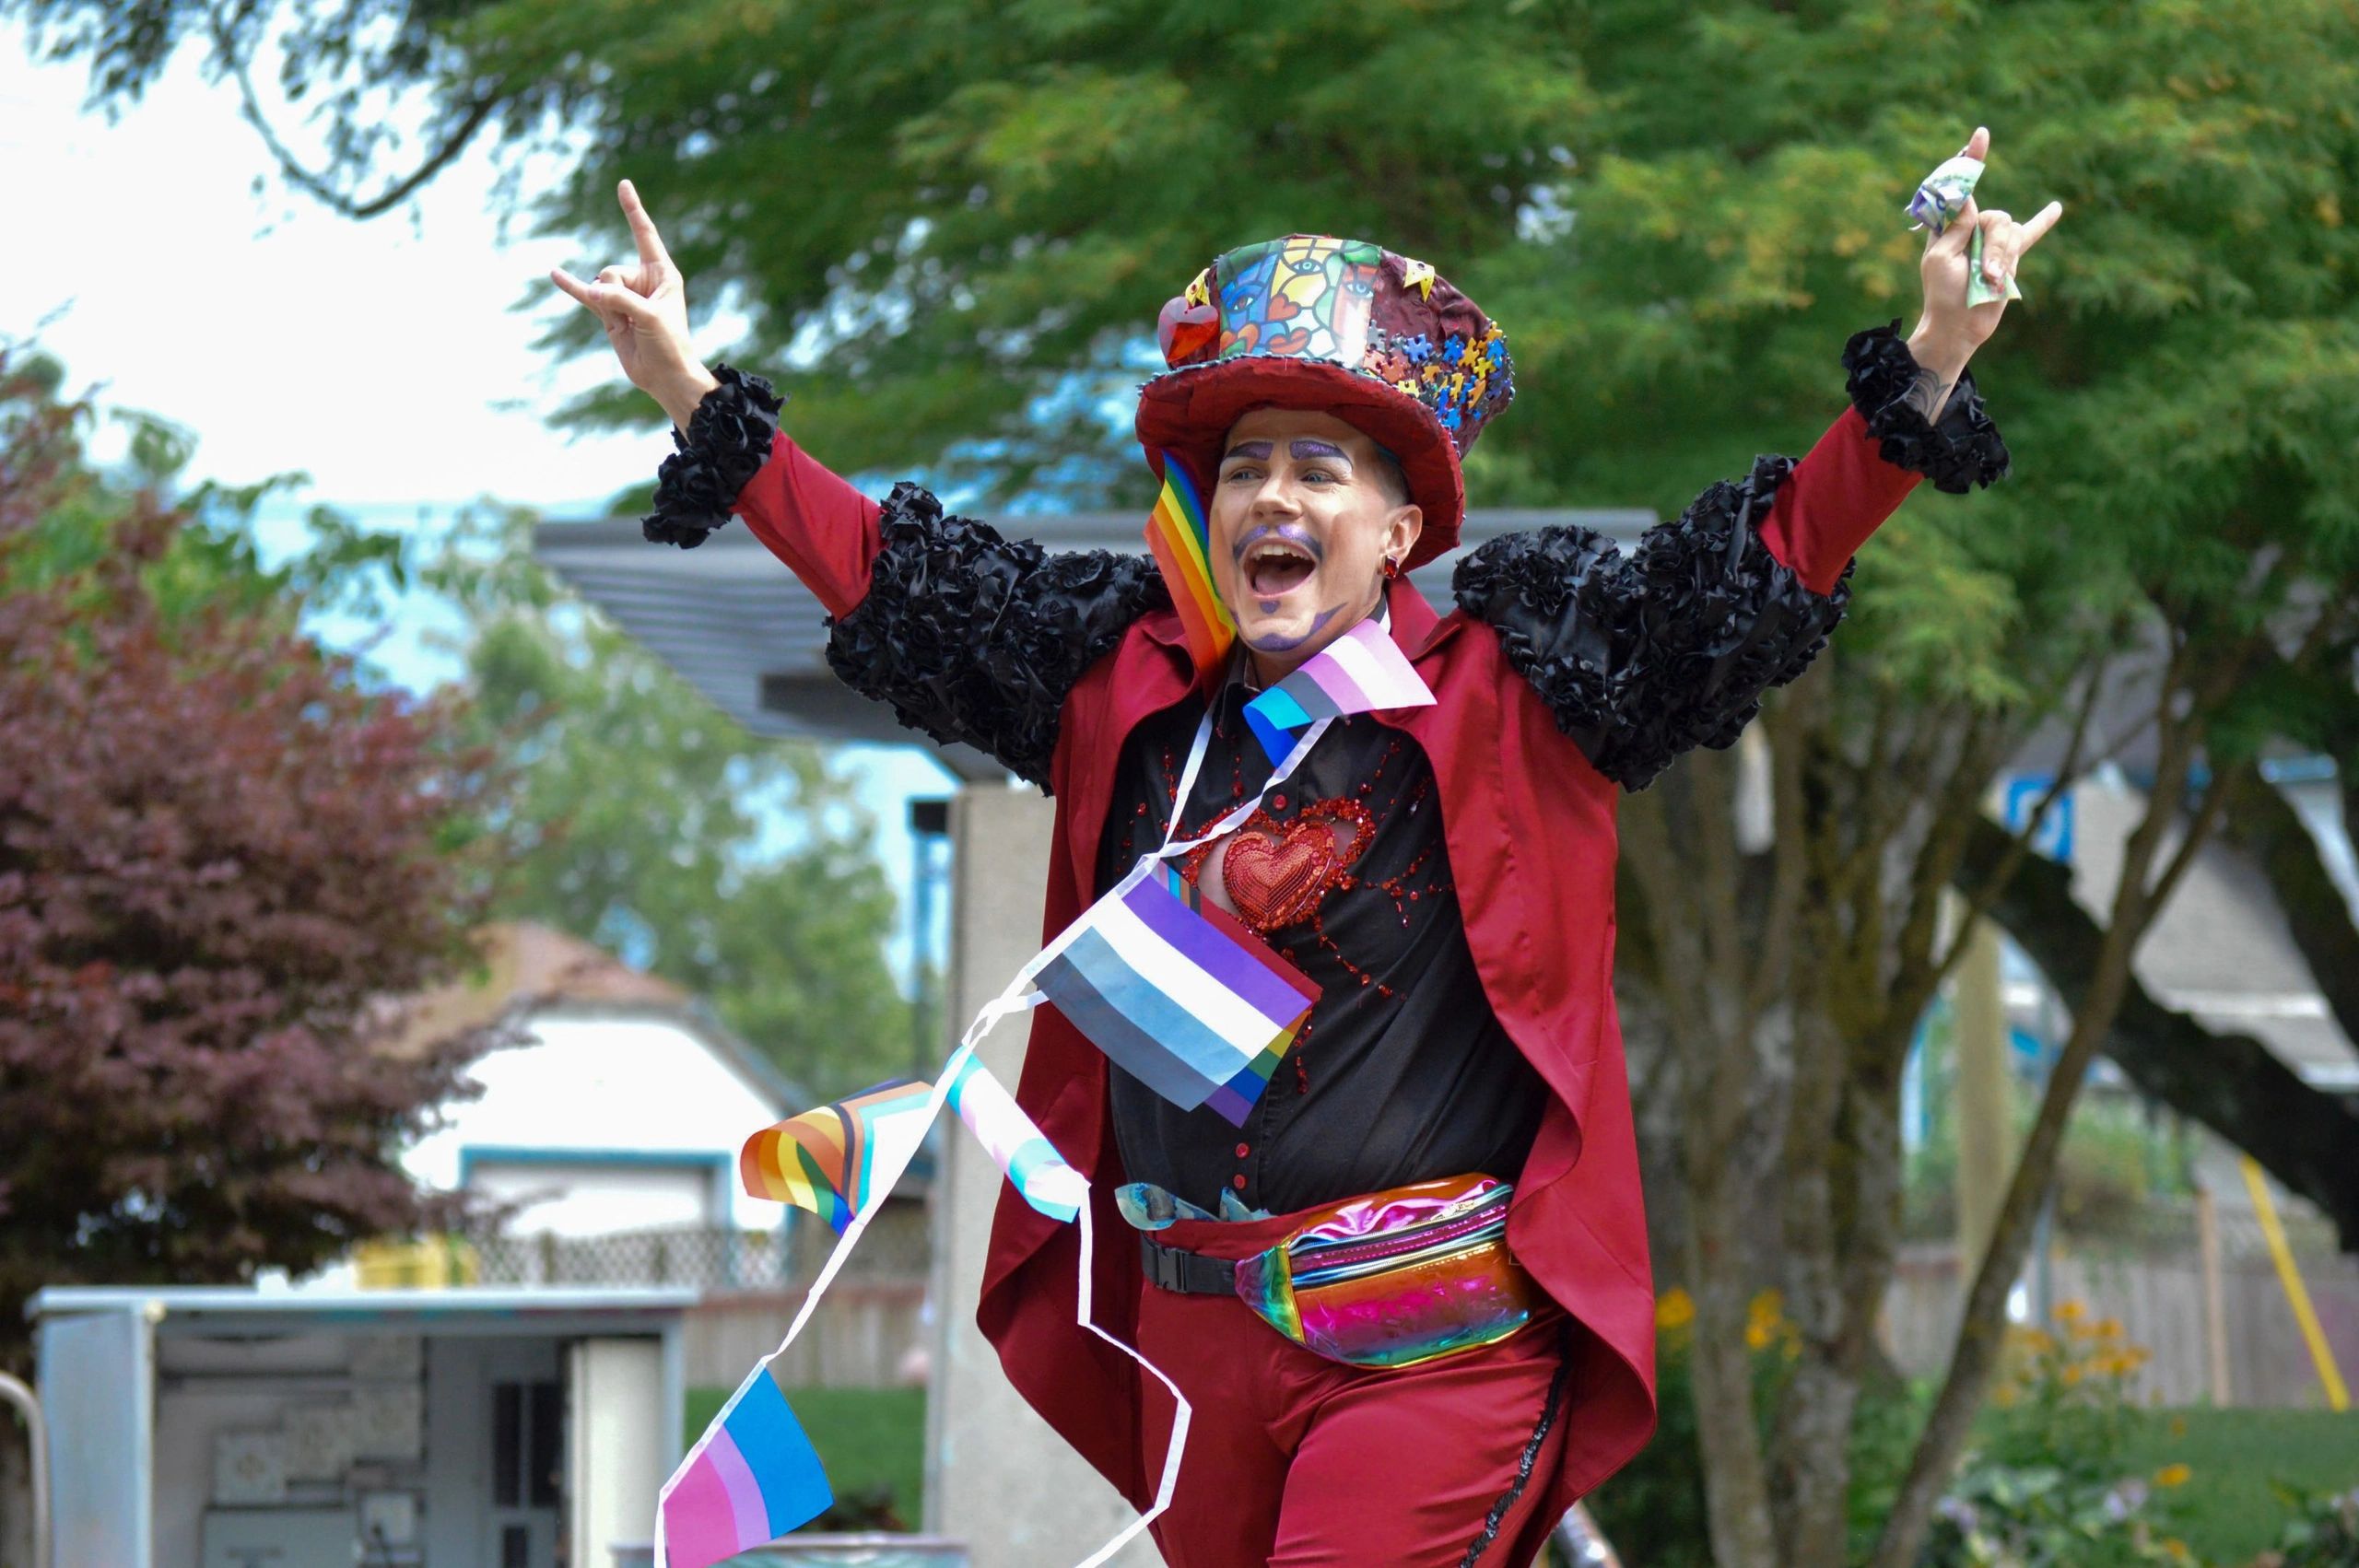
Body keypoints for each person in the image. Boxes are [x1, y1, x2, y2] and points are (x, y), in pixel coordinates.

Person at [551, 127, 2058, 1566]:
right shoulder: (1121, 683)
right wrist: (687, 386)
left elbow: (1776, 553)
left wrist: (1932, 357)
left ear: (1401, 531)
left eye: (1321, 469)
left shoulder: (1520, 686)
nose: (1273, 495)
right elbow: (882, 572)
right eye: (1245, 466)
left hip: (1433, 1348)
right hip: (1191, 1352)